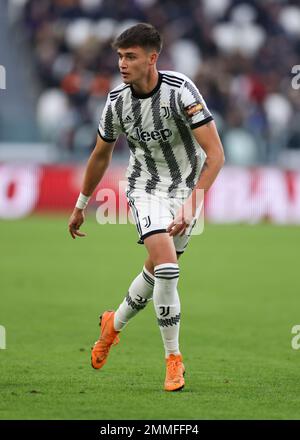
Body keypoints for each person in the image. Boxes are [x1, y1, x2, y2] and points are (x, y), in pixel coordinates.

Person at [68, 23, 225, 392]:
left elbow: (216, 155)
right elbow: (100, 155)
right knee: (168, 268)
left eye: (131, 57)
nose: (123, 64)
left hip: (186, 192)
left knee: (154, 274)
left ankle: (113, 325)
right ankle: (174, 361)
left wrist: (193, 202)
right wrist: (81, 204)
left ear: (152, 58)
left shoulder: (180, 91)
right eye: (120, 56)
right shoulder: (115, 102)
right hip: (145, 189)